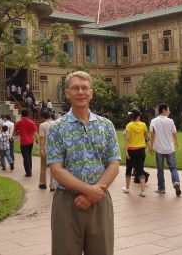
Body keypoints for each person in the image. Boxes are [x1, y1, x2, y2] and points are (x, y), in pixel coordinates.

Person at [46, 71, 121, 255]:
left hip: (99, 200)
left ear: (91, 93)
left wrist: (93, 194)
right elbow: (56, 170)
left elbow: (114, 165)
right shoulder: (57, 128)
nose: (80, 92)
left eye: (85, 88)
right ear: (67, 93)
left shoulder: (106, 125)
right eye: (75, 88)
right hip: (67, 202)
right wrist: (89, 191)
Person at [150, 103, 181, 196]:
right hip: (170, 148)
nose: (169, 111)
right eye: (168, 109)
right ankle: (176, 182)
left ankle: (161, 188)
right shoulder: (170, 121)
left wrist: (151, 146)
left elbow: (152, 134)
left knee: (160, 169)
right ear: (163, 110)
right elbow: (174, 132)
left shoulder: (154, 121)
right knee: (173, 167)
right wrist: (176, 141)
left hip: (159, 149)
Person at [123, 109, 149, 197]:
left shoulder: (129, 126)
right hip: (141, 149)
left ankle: (127, 187)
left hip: (131, 149)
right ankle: (143, 190)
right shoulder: (143, 125)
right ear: (139, 116)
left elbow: (127, 138)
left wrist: (126, 149)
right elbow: (146, 136)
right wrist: (148, 145)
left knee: (129, 168)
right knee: (140, 168)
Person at [13, 108, 39, 177]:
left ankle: (28, 172)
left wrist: (12, 137)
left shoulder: (19, 122)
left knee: (25, 157)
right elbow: (35, 131)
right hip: (30, 141)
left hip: (23, 141)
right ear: (28, 114)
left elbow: (15, 131)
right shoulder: (31, 122)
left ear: (21, 114)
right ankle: (30, 169)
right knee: (29, 156)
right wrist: (37, 139)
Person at [38, 111, 55, 191]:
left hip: (45, 147)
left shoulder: (42, 125)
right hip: (54, 148)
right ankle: (52, 184)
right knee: (53, 167)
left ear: (43, 117)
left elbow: (42, 137)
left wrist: (41, 148)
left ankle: (42, 182)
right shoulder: (54, 123)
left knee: (43, 166)